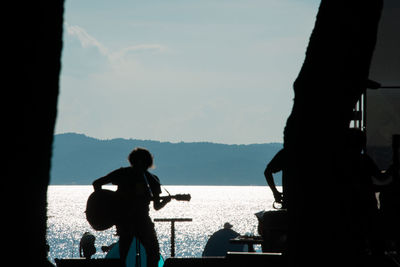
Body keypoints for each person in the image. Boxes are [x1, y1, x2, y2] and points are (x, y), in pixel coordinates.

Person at [92, 147, 171, 267]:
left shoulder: (149, 179)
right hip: (130, 221)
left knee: (149, 254)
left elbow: (156, 205)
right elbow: (97, 183)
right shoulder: (132, 175)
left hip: (134, 221)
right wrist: (106, 204)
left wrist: (166, 201)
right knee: (146, 254)